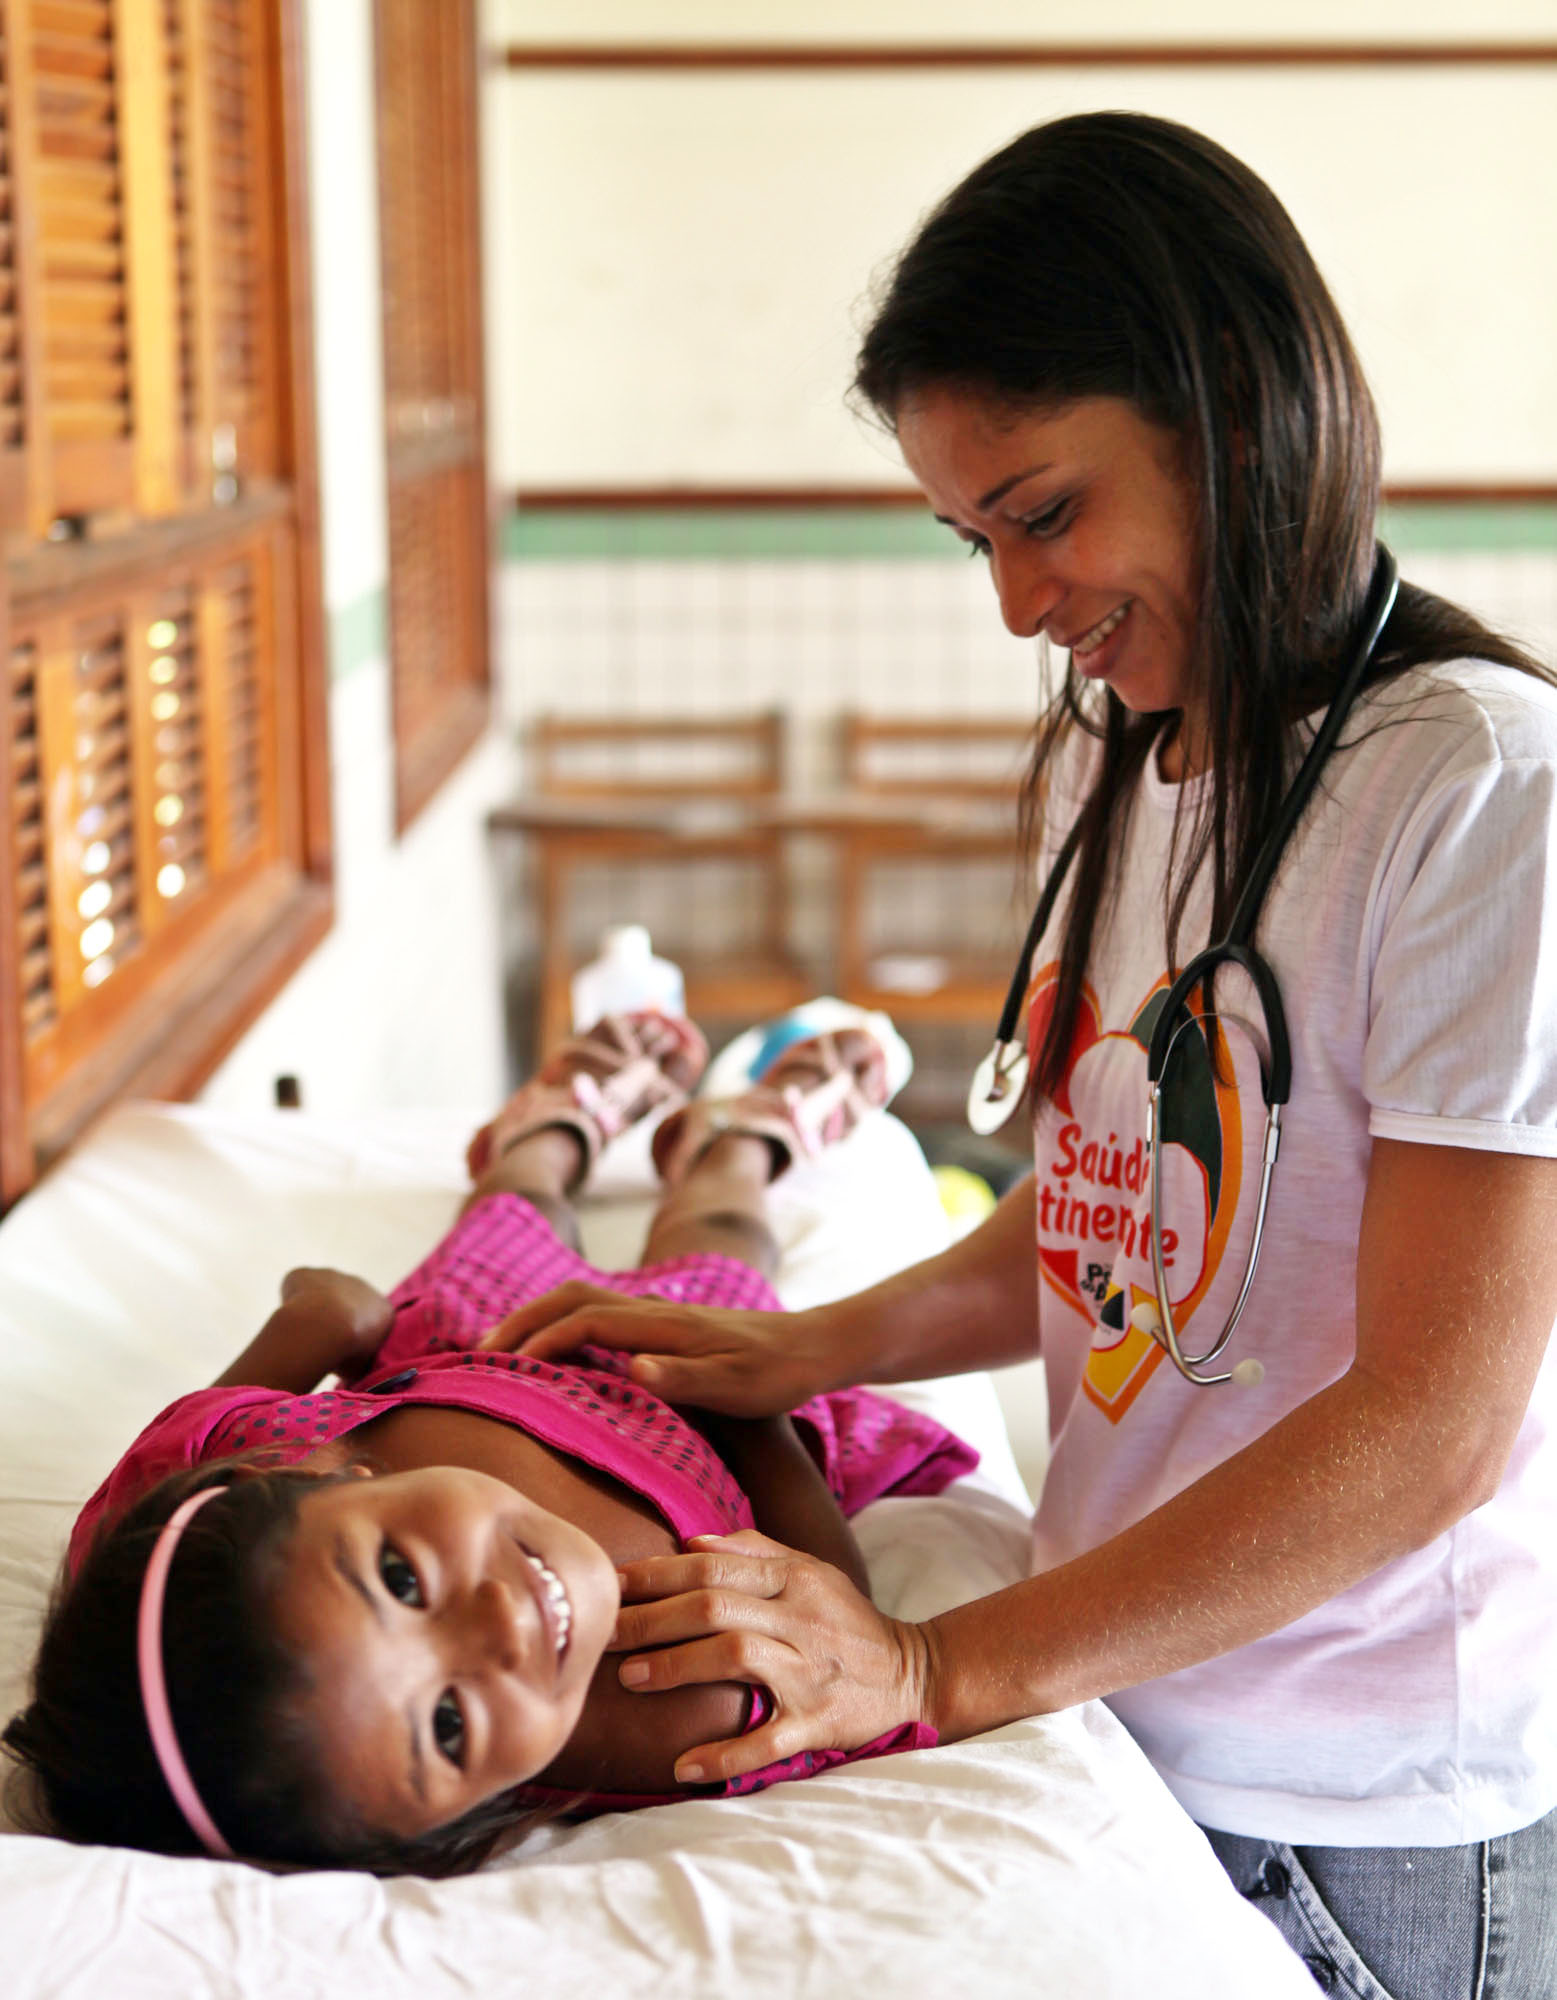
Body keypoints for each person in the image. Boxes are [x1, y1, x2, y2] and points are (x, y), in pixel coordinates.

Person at [490, 115, 1557, 1996]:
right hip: (1116, 1697)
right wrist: (812, 1345)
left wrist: (928, 1669)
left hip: (1362, 1804)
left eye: (1044, 514)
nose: (1013, 601)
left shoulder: (1477, 791)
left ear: (1236, 415)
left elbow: (1430, 1432)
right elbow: (1107, 1218)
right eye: (969, 534)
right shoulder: (1110, 758)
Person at [2, 1011, 974, 1876]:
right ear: (459, 1825)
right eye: (450, 1723)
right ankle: (742, 1142)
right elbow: (830, 1599)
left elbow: (193, 1437)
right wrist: (752, 1407)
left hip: (485, 1336)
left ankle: (548, 1131)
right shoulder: (680, 1704)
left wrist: (329, 1317)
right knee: (725, 1231)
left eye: (401, 1577)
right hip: (709, 1419)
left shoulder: (233, 1477)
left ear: (311, 1467)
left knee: (516, 1208)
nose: (500, 1629)